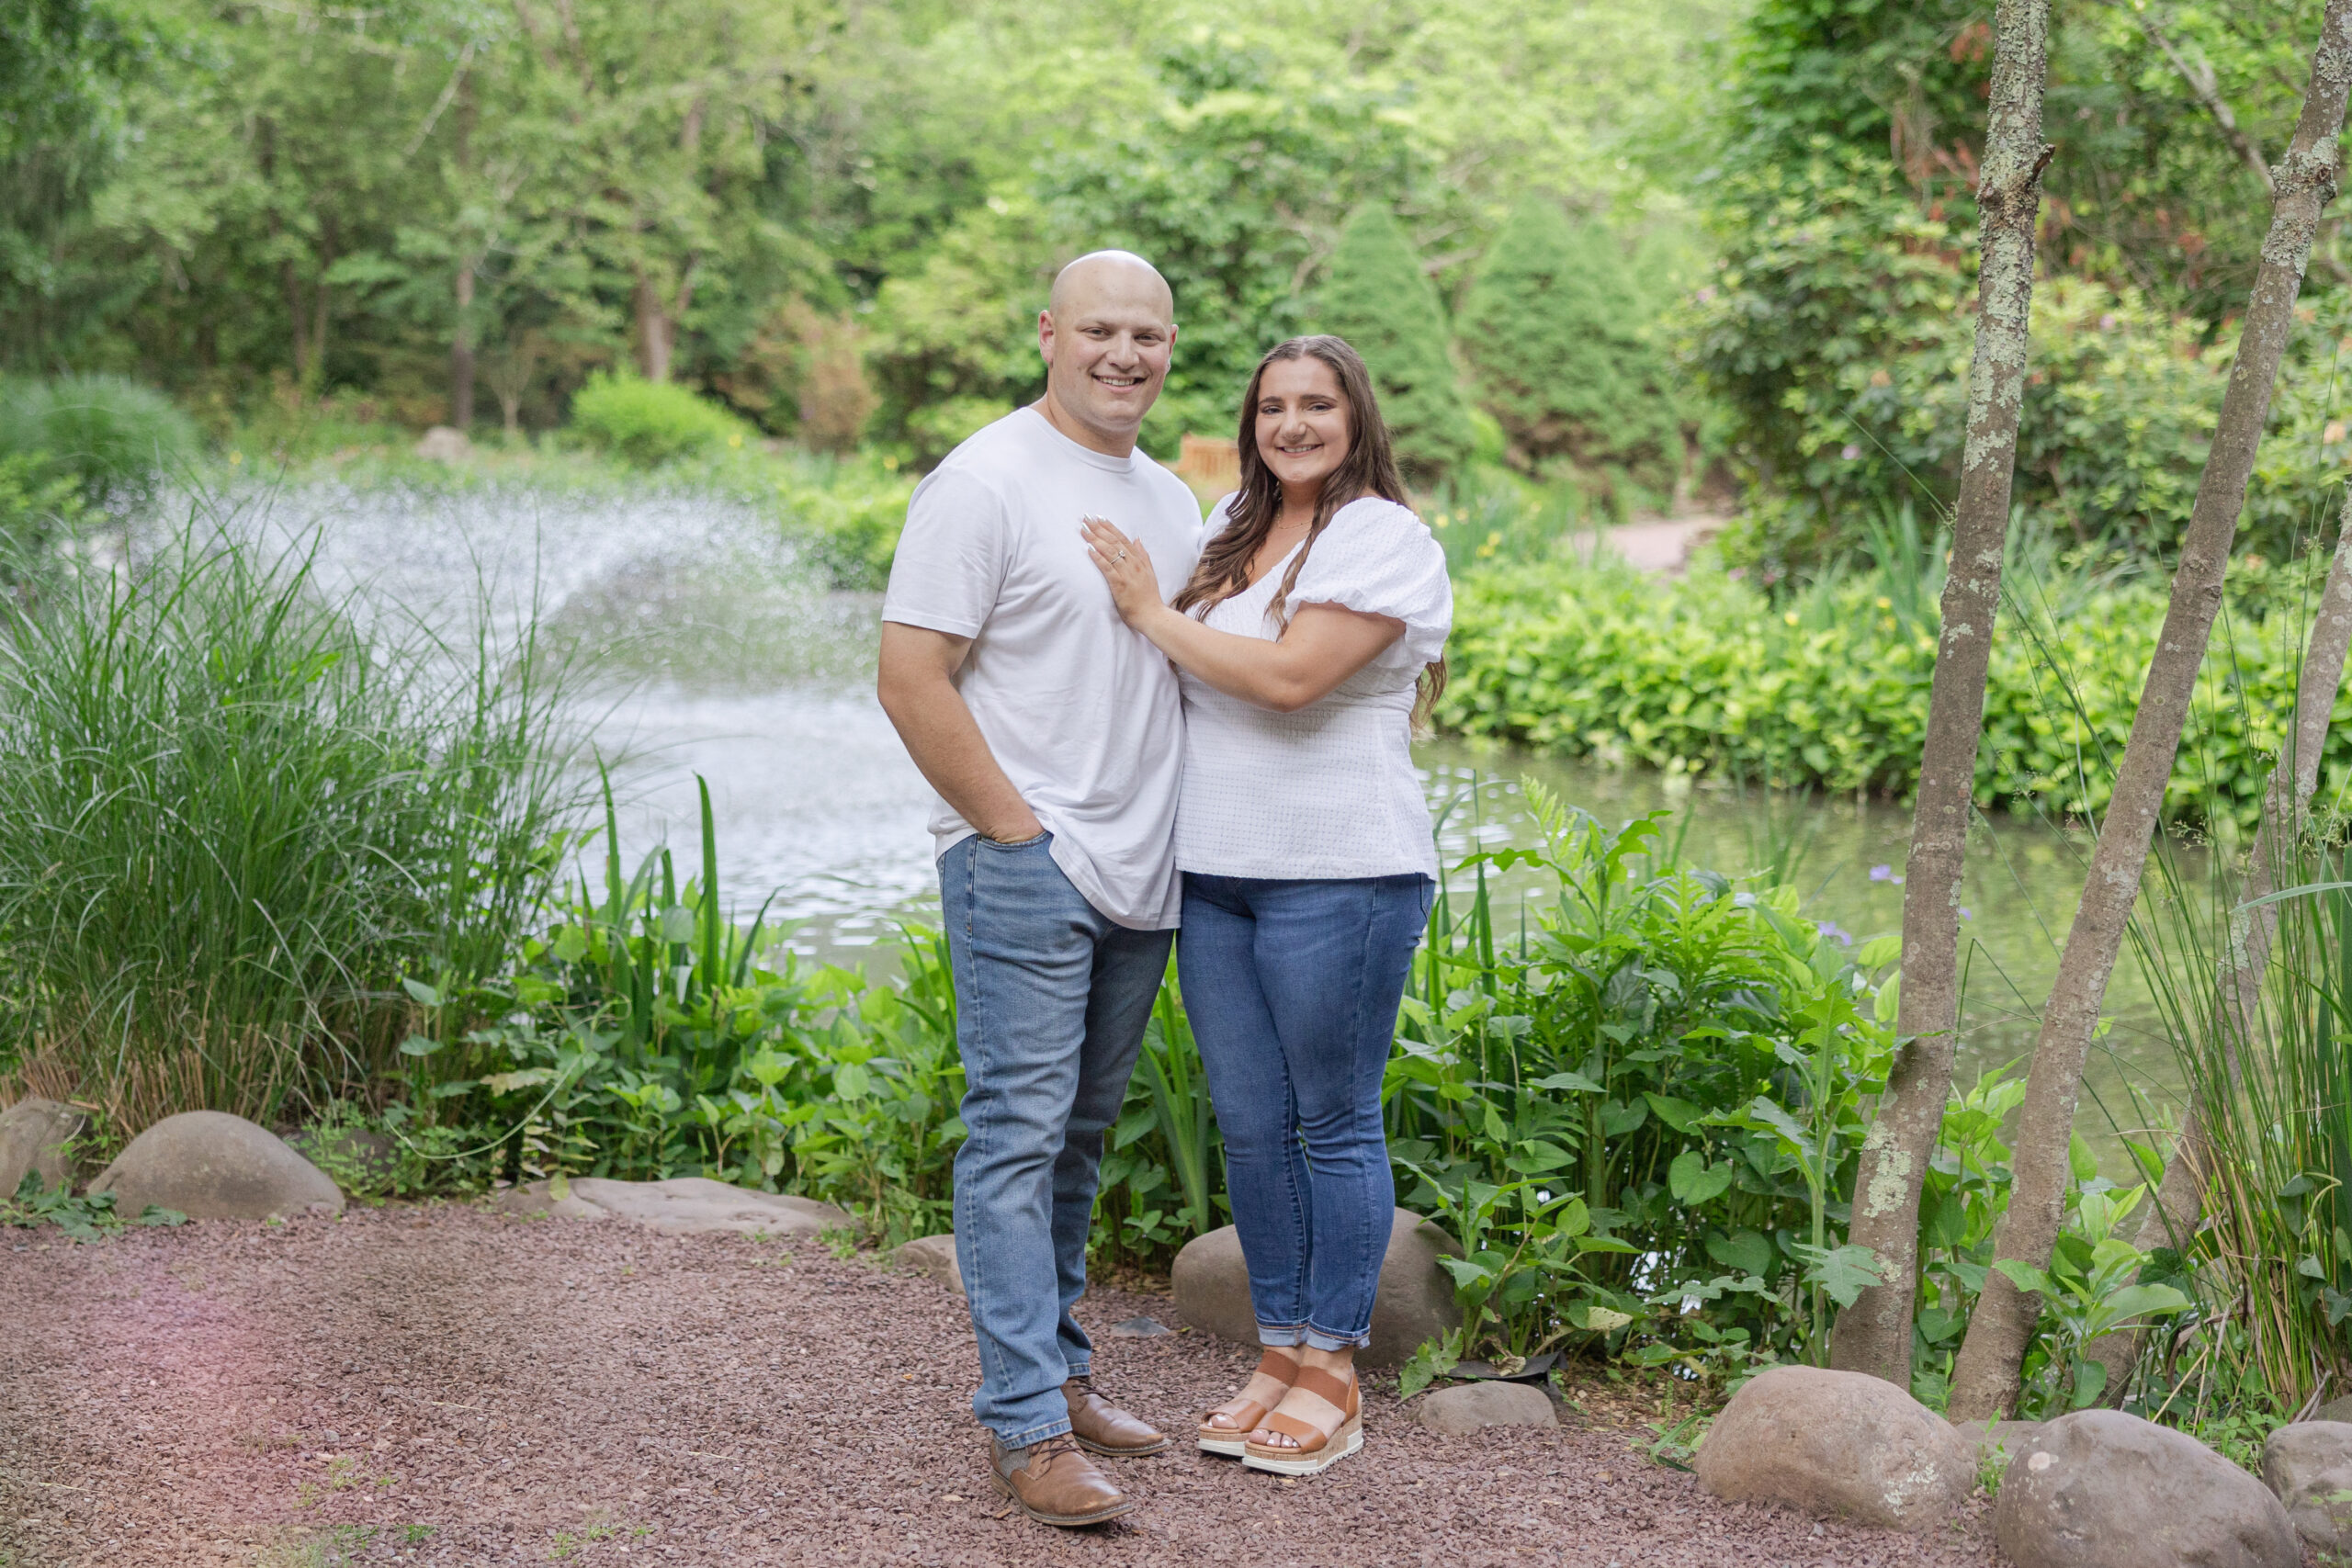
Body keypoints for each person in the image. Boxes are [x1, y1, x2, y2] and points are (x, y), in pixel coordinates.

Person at [1080, 334, 1451, 1478]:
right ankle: (1279, 1349)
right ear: (1251, 422)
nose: (1292, 424)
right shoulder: (1230, 530)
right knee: (1248, 1124)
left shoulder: (1383, 536)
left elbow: (1293, 682)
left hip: (1341, 871)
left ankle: (1333, 1366)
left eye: (1317, 405)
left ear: (1357, 417)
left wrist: (1147, 609)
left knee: (1330, 1122)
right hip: (1220, 872)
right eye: (1273, 406)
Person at [875, 250, 1204, 1528]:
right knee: (1015, 1131)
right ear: (1049, 332)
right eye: (1101, 330)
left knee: (1075, 1135)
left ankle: (1062, 1374)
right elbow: (912, 676)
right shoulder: (984, 479)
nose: (1126, 354)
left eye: (1149, 335)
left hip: (1141, 871)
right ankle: (1022, 1423)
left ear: (1171, 346)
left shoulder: (1172, 500)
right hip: (1025, 860)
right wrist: (1015, 832)